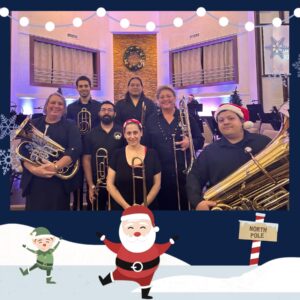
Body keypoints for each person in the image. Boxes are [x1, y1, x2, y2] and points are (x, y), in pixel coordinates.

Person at [186, 103, 272, 210]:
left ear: (242, 121)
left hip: (262, 205)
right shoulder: (210, 151)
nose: (226, 122)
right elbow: (194, 177)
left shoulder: (263, 142)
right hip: (225, 208)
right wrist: (198, 202)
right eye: (221, 120)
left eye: (231, 118)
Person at [96, 205, 178, 299]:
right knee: (115, 275)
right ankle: (104, 281)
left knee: (146, 282)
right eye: (130, 228)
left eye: (142, 227)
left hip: (146, 274)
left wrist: (170, 242)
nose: (137, 232)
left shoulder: (152, 247)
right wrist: (104, 239)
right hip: (122, 271)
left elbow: (162, 248)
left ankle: (145, 294)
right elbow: (112, 246)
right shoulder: (123, 246)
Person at [144, 86, 204, 210]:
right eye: (162, 97)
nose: (165, 99)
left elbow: (200, 140)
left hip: (184, 171)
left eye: (169, 96)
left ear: (174, 98)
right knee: (163, 206)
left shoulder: (187, 117)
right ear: (157, 100)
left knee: (184, 205)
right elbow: (146, 146)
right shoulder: (151, 120)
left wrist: (190, 142)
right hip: (160, 172)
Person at [20, 92, 81, 210]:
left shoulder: (70, 126)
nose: (56, 106)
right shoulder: (33, 123)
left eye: (60, 104)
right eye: (53, 102)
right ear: (46, 105)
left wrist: (55, 166)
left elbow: (75, 149)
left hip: (58, 180)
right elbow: (22, 151)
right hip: (34, 180)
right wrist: (35, 170)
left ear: (64, 109)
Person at [106, 119, 161, 210]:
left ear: (141, 133)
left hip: (148, 208)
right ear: (124, 135)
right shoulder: (117, 154)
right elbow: (109, 184)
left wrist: (143, 206)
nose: (132, 136)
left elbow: (157, 184)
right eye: (129, 133)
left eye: (135, 132)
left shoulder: (152, 154)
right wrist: (127, 207)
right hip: (121, 208)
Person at [67, 75, 101, 210]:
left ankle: (92, 207)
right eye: (80, 86)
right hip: (77, 147)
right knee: (77, 181)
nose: (83, 88)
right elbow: (69, 128)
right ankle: (77, 207)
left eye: (86, 86)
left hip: (93, 148)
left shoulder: (99, 106)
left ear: (90, 87)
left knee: (92, 179)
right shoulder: (71, 108)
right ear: (77, 88)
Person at [82, 101, 125, 210]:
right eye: (103, 110)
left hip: (118, 182)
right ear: (99, 113)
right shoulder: (90, 134)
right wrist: (90, 185)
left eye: (110, 110)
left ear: (115, 114)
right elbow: (86, 160)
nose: (106, 112)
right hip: (97, 183)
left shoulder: (123, 131)